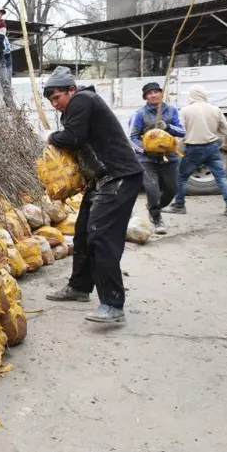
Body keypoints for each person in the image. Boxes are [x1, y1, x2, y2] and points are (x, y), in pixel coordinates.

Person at [43, 66, 143, 323]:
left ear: (71, 90)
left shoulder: (84, 100)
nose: (55, 104)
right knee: (84, 233)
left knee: (102, 236)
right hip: (101, 179)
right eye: (51, 100)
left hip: (120, 177)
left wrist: (51, 136)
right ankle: (79, 287)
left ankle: (112, 304)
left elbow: (72, 138)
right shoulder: (77, 106)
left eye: (57, 97)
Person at [163, 85, 227, 217]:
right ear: (204, 95)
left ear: (191, 96)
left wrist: (177, 150)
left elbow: (181, 134)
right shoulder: (215, 110)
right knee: (221, 177)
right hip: (212, 147)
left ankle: (179, 205)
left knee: (182, 178)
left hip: (193, 149)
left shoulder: (185, 111)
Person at [128, 82, 186, 235]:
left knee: (172, 189)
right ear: (145, 97)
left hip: (169, 156)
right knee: (152, 189)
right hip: (147, 159)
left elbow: (182, 131)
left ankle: (155, 206)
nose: (153, 95)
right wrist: (146, 149)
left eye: (156, 92)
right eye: (149, 93)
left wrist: (168, 127)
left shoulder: (172, 110)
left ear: (162, 93)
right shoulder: (139, 114)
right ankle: (156, 217)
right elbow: (132, 137)